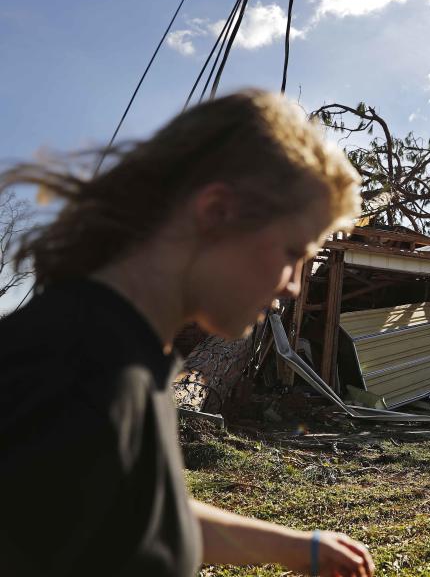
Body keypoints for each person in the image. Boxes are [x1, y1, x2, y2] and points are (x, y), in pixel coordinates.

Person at [0, 89, 375, 577]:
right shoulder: (70, 374)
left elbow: (136, 518)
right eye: (293, 252)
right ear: (216, 211)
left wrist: (301, 547)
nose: (294, 286)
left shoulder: (120, 355)